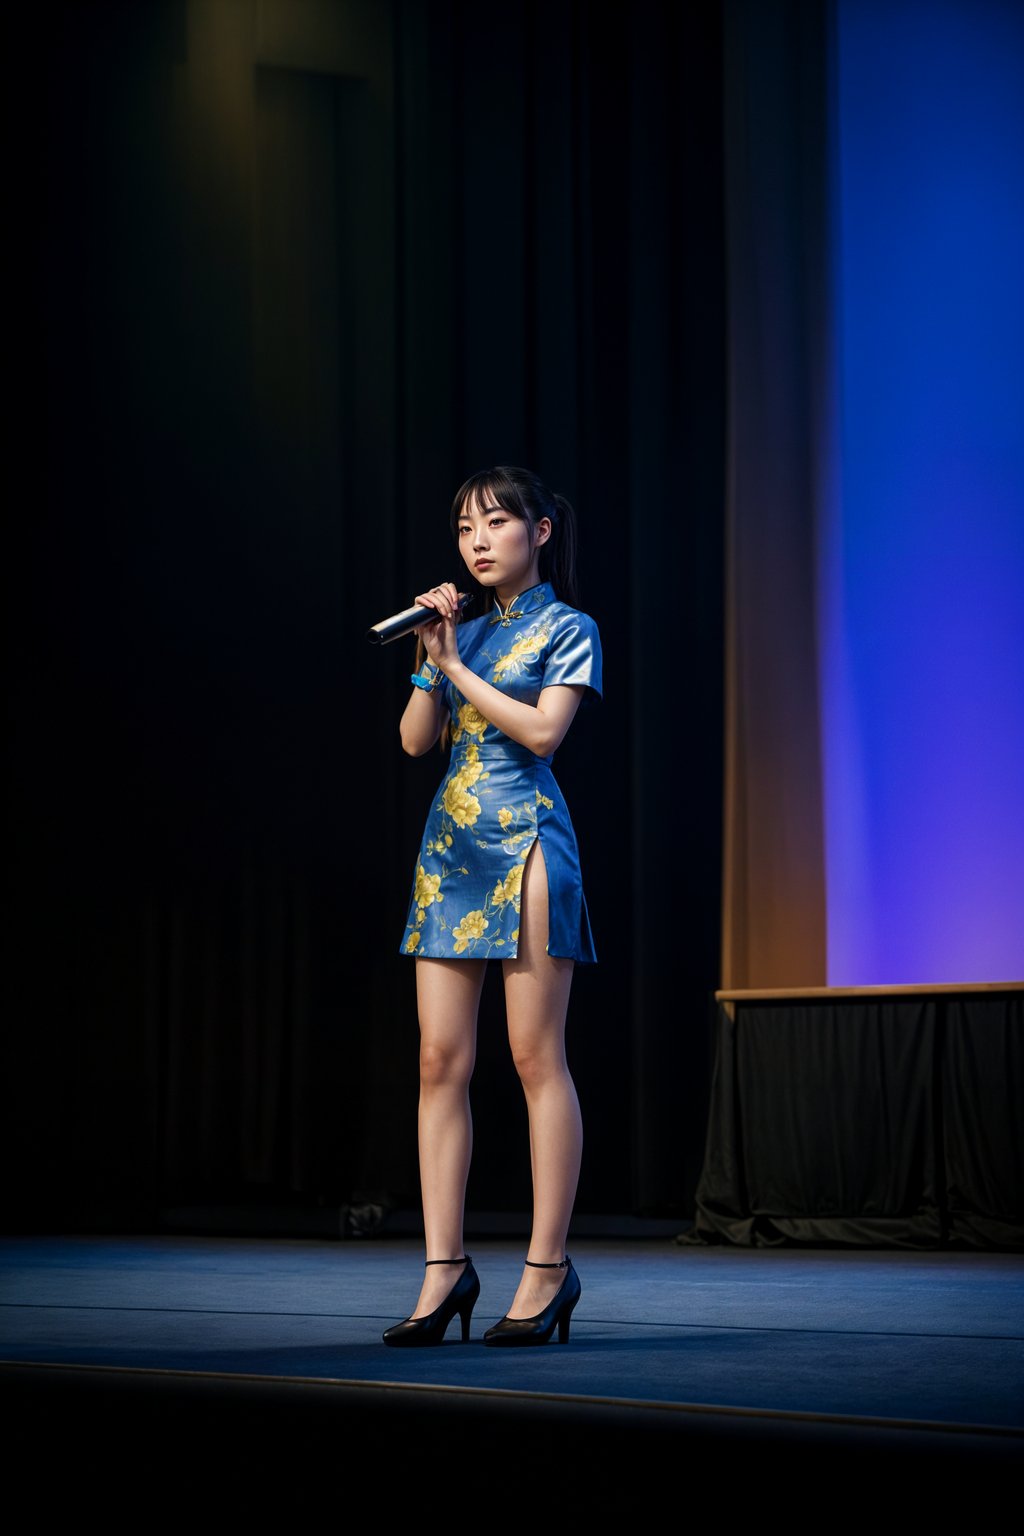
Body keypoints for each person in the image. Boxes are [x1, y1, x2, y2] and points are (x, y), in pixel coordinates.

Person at [382, 466, 602, 1348]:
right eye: (465, 528)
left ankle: (547, 1269)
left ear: (540, 531)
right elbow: (411, 741)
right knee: (440, 1061)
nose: (477, 541)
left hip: (529, 844)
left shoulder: (569, 626)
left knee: (532, 1055)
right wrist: (433, 657)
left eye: (497, 523)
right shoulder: (456, 633)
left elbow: (545, 732)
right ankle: (445, 1269)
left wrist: (453, 667)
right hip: (452, 849)